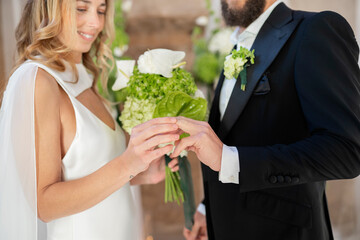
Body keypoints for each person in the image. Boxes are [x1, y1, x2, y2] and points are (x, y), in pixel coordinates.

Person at [171, 0, 360, 239]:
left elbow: (347, 151)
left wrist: (229, 161)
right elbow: (237, 138)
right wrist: (207, 206)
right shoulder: (239, 44)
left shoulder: (315, 30)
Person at [0, 0, 180, 239]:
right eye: (82, 9)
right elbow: (44, 204)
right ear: (50, 8)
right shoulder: (37, 80)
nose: (95, 23)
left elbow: (86, 170)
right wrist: (127, 164)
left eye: (101, 10)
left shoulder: (84, 77)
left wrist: (143, 172)